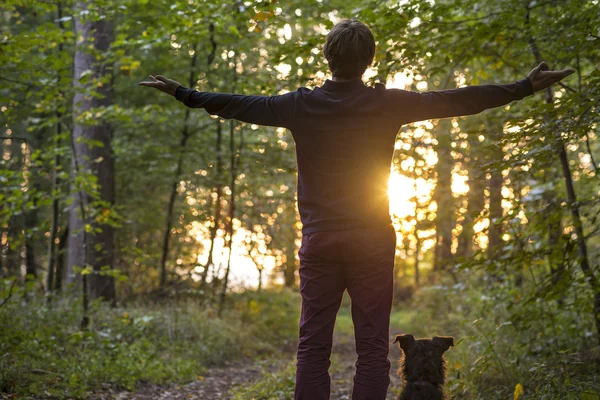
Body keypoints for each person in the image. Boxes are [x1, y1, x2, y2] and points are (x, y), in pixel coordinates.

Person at [140, 19, 574, 400]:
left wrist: (183, 93)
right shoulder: (386, 103)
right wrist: (523, 86)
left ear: (328, 56)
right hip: (371, 240)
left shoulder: (298, 104)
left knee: (312, 345)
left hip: (321, 240)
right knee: (371, 346)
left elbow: (234, 103)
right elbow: (455, 99)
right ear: (369, 60)